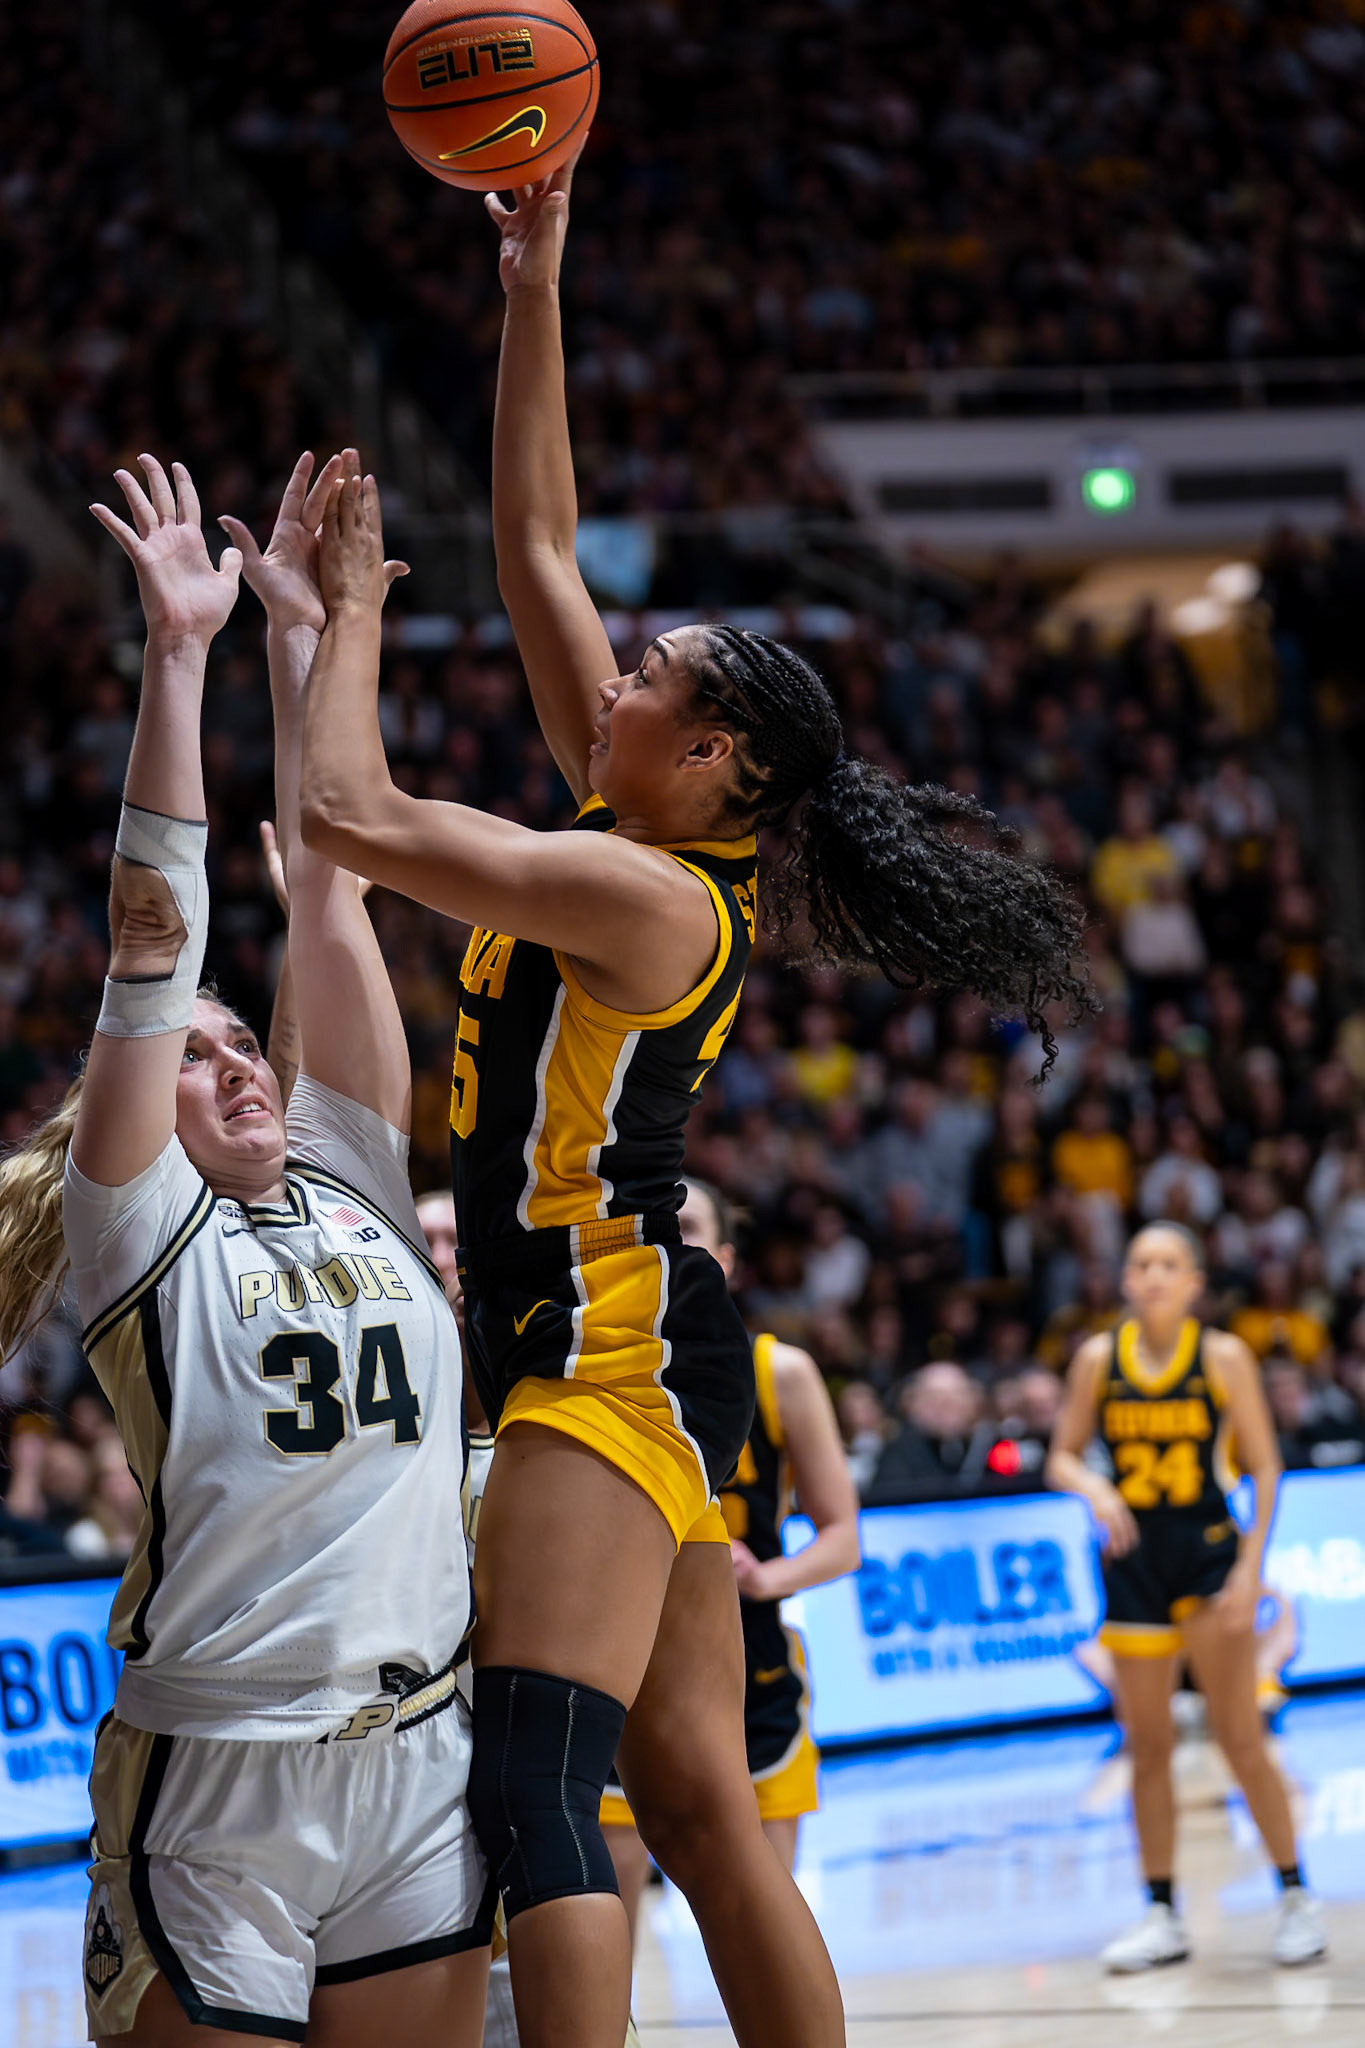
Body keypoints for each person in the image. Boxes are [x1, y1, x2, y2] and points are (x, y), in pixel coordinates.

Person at [296, 150, 1088, 2048]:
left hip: (606, 1347)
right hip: (646, 1327)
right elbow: (545, 552)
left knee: (535, 1781)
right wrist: (534, 287)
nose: (618, 670)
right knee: (706, 1799)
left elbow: (349, 817)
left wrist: (340, 622)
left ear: (712, 757)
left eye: (652, 676)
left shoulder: (644, 888)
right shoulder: (629, 822)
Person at [0, 452, 490, 2046]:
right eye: (194, 1058)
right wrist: (185, 649)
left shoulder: (353, 1167)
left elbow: (335, 883)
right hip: (220, 1777)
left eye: (242, 1044)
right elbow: (158, 933)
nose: (238, 1065)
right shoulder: (136, 1227)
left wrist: (309, 639)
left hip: (420, 1749)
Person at [1047, 1222, 1326, 1973]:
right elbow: (1059, 1459)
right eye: (1141, 1264)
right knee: (1148, 1749)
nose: (1154, 1275)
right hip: (1133, 1563)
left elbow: (1266, 1469)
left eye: (1169, 1264)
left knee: (1239, 1735)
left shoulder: (1223, 1357)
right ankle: (1161, 1911)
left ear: (1195, 1281)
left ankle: (1296, 1896)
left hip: (1206, 1557)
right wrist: (1093, 1486)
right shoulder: (1098, 1360)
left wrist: (1247, 1568)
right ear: (1126, 1282)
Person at [600, 1177, 860, 1941]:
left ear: (725, 1257)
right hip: (627, 1673)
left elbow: (844, 1535)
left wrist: (765, 1577)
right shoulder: (600, 1371)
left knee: (762, 1929)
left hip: (755, 1675)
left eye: (688, 1224)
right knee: (608, 1934)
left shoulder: (780, 1372)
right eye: (659, 1225)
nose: (672, 1238)